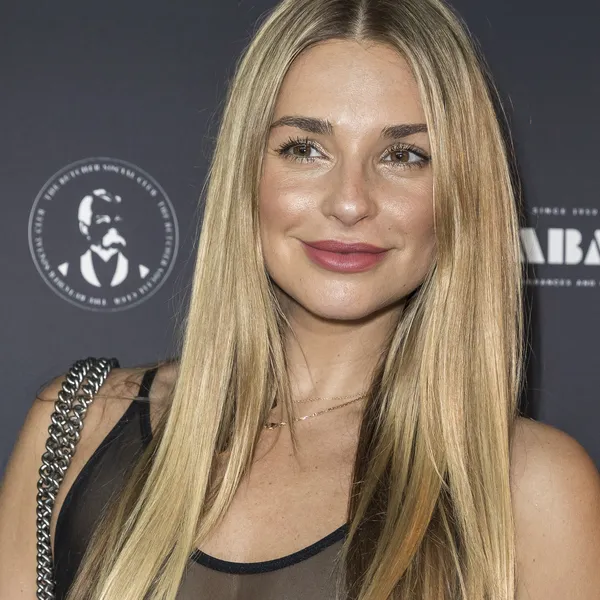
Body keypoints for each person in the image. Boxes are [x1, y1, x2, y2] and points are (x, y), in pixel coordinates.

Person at [1, 0, 599, 598]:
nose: (350, 201)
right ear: (246, 171)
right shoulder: (77, 424)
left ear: (462, 193)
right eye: (305, 149)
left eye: (404, 155)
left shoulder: (533, 491)